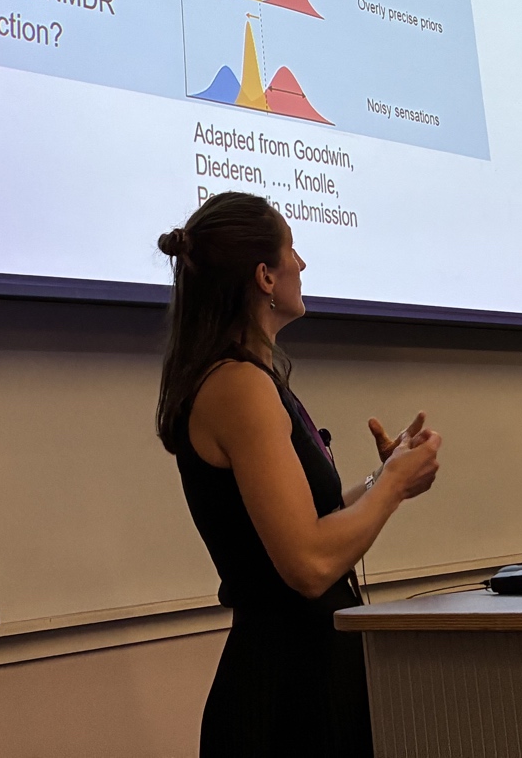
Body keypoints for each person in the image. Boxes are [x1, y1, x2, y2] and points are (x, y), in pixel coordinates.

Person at [155, 191, 442, 758]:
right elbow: (308, 565)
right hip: (285, 693)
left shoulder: (253, 379)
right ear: (265, 276)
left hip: (310, 674)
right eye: (292, 251)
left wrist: (385, 476)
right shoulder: (238, 386)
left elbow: (312, 523)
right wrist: (391, 487)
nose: (302, 264)